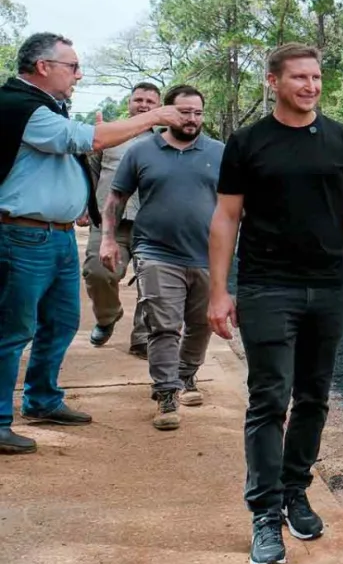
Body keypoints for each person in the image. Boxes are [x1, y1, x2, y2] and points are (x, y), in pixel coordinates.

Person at [206, 42, 343, 564]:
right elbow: (226, 217)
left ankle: (295, 491)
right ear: (273, 82)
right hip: (267, 287)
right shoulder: (248, 143)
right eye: (299, 78)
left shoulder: (342, 138)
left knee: (313, 397)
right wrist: (219, 290)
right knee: (270, 400)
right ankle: (264, 514)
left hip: (329, 287)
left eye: (316, 77)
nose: (311, 86)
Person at [0, 32, 184, 455]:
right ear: (43, 67)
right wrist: (156, 115)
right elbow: (90, 140)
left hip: (58, 235)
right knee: (12, 330)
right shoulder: (19, 106)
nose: (79, 75)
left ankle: (42, 400)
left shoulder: (47, 106)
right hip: (22, 236)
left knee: (62, 322)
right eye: (72, 66)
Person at [100, 84, 223, 431]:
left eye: (198, 112)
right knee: (164, 325)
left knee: (201, 324)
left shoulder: (220, 152)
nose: (192, 118)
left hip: (207, 254)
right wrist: (108, 239)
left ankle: (186, 374)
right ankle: (166, 392)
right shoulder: (141, 151)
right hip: (155, 252)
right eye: (184, 112)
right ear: (167, 112)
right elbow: (115, 199)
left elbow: (238, 204)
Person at [84, 82, 162, 356]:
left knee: (153, 282)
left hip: (151, 224)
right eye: (138, 100)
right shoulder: (109, 134)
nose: (143, 105)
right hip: (109, 222)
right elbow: (91, 173)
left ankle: (142, 338)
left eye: (150, 101)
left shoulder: (165, 141)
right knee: (97, 272)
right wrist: (85, 207)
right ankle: (107, 316)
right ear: (129, 102)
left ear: (159, 107)